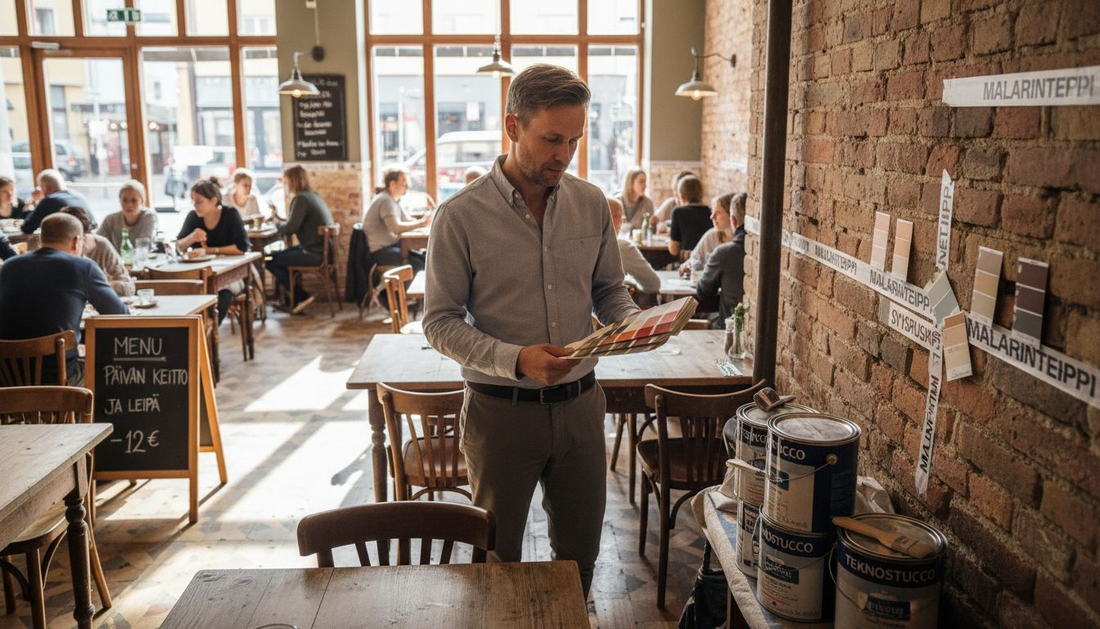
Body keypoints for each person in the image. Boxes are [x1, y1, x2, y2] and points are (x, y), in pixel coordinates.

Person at [423, 64, 639, 598]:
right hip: (500, 416)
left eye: (574, 140)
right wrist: (517, 358)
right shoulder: (459, 215)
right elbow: (438, 322)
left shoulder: (591, 203)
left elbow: (610, 290)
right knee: (497, 561)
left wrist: (633, 323)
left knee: (581, 557)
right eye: (551, 139)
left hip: (582, 409)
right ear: (512, 126)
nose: (563, 155)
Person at [0, 213, 127, 384]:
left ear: (40, 239)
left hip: (7, 380)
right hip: (59, 381)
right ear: (77, 241)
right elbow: (119, 315)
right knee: (108, 373)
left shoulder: (9, 266)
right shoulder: (83, 267)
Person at [176, 178, 251, 323]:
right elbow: (178, 246)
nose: (195, 205)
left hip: (230, 273)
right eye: (193, 201)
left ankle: (209, 333)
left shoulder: (230, 214)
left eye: (199, 201)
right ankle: (196, 330)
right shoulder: (193, 217)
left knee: (223, 294)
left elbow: (242, 247)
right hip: (200, 273)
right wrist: (192, 237)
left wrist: (210, 250)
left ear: (213, 200)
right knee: (188, 292)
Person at [266, 165, 334, 314]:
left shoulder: (301, 199)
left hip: (313, 253)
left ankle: (300, 297)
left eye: (287, 180)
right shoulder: (313, 195)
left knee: (271, 261)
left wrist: (274, 226)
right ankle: (289, 299)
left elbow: (291, 228)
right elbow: (292, 224)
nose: (285, 184)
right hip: (322, 250)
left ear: (293, 181)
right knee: (280, 257)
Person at [62, 206, 135, 297]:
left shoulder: (101, 245)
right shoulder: (56, 252)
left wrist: (102, 285)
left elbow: (129, 288)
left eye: (82, 237)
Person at [696, 200, 747, 327]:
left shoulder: (724, 253)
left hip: (729, 328)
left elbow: (703, 291)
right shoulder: (771, 252)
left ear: (733, 221)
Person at [679, 192, 744, 277]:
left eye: (717, 213)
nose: (712, 217)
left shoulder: (744, 241)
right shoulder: (711, 235)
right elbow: (694, 259)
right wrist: (687, 266)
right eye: (712, 212)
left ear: (730, 215)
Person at [608, 197, 660, 293]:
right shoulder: (621, 247)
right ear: (617, 218)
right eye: (622, 218)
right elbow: (653, 284)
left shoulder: (581, 245)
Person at [20, 169, 95, 234]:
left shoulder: (49, 201)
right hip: (90, 239)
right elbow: (94, 224)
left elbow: (27, 228)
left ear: (45, 188)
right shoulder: (79, 196)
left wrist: (36, 201)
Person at [96, 179, 158, 253]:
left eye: (134, 200)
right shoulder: (110, 220)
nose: (129, 205)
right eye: (125, 200)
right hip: (114, 262)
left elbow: (144, 246)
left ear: (142, 201)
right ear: (120, 200)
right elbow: (98, 242)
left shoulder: (149, 217)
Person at [668, 175, 710, 257]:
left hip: (689, 262)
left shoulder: (678, 212)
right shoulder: (710, 212)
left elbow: (674, 250)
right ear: (701, 194)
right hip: (708, 261)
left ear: (682, 197)